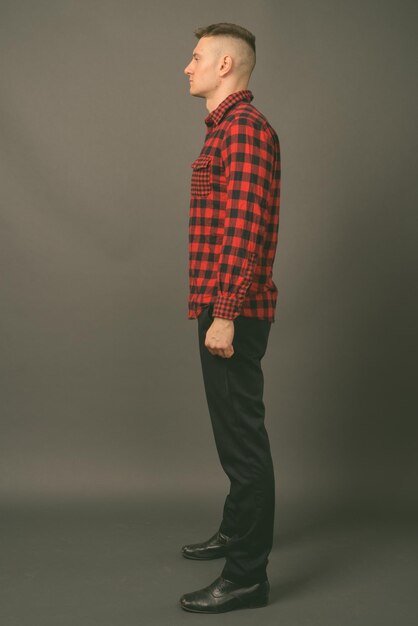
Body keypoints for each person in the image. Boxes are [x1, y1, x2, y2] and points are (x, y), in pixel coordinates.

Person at [180, 22, 281, 614]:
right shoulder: (226, 132)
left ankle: (247, 576)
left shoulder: (243, 133)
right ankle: (234, 532)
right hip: (223, 308)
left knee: (243, 442)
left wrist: (223, 315)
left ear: (225, 67)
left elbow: (241, 236)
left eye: (195, 58)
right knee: (231, 435)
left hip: (232, 313)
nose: (185, 68)